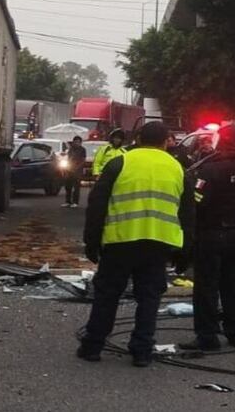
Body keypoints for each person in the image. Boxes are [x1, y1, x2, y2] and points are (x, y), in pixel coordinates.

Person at [79, 122, 191, 367]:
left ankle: (93, 346)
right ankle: (142, 351)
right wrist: (185, 251)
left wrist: (92, 241)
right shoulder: (178, 168)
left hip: (120, 241)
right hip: (158, 243)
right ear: (166, 141)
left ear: (138, 138)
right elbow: (188, 213)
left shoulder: (119, 163)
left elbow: (97, 205)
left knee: (107, 294)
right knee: (149, 297)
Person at [178, 123, 235, 351]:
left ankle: (207, 337)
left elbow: (196, 202)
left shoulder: (210, 170)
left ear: (221, 142)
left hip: (213, 235)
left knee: (207, 287)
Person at [63, 135, 87, 208]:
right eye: (75, 141)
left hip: (77, 170)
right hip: (69, 169)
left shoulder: (82, 149)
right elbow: (68, 158)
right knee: (68, 186)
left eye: (78, 142)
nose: (76, 143)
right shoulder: (71, 149)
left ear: (80, 143)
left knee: (76, 187)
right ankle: (68, 201)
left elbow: (83, 159)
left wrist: (77, 167)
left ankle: (75, 202)